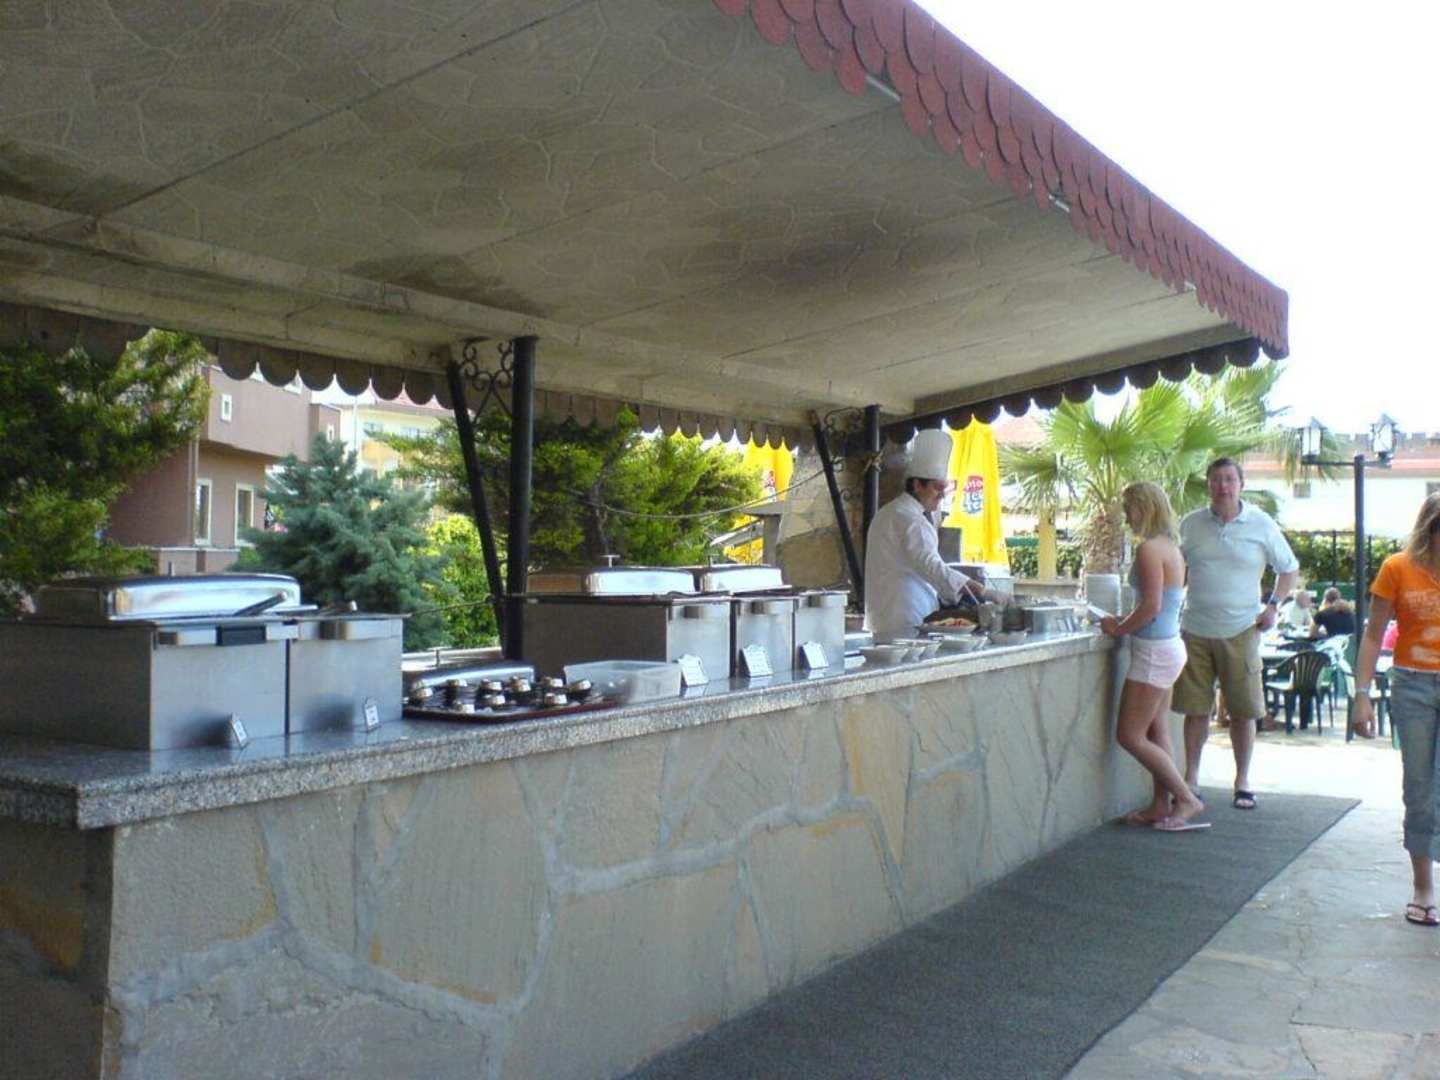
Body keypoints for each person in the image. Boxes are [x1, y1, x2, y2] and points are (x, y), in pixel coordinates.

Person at [1173, 458, 1299, 811]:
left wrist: (1273, 606)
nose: (1223, 486)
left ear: (1241, 484)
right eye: (1216, 479)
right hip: (1195, 629)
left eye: (1229, 479)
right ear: (1208, 484)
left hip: (1242, 629)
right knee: (1195, 710)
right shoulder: (1190, 524)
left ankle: (1242, 781)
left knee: (1243, 711)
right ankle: (1191, 780)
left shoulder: (1261, 523)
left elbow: (1288, 569)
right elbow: (1174, 569)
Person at [1352, 492, 1440, 927]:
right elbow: (1373, 635)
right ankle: (1423, 886)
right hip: (1413, 685)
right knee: (1419, 787)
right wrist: (1361, 694)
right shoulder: (1397, 568)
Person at [1101, 482, 1206, 831]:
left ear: (1143, 509)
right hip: (1168, 646)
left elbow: (1151, 607)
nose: (1126, 517)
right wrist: (1126, 622)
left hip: (1154, 652)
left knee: (1129, 735)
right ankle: (1161, 804)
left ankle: (1185, 799)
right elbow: (1159, 605)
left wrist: (1119, 628)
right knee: (1157, 729)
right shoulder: (1170, 548)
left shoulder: (1149, 549)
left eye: (1129, 508)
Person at [864, 428, 999, 641]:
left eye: (944, 489)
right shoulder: (909, 519)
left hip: (890, 619)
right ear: (917, 485)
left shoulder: (891, 512)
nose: (941, 495)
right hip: (906, 620)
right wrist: (983, 592)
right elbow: (932, 567)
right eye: (937, 488)